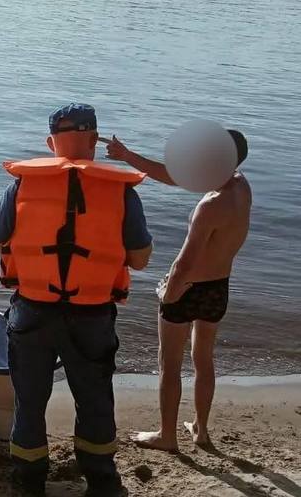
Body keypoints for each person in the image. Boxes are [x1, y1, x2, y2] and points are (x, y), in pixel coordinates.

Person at [0, 104, 153, 497]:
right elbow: (141, 259)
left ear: (51, 143)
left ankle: (28, 483)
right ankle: (102, 482)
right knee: (94, 400)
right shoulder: (121, 191)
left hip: (31, 310)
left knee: (29, 403)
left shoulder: (22, 185)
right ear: (94, 142)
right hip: (92, 315)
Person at [105, 131, 251, 451]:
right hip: (218, 287)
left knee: (169, 363)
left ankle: (167, 436)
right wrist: (128, 156)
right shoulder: (240, 186)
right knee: (203, 360)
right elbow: (173, 176)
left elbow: (186, 261)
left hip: (187, 288)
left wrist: (170, 292)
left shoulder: (210, 206)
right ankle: (200, 431)